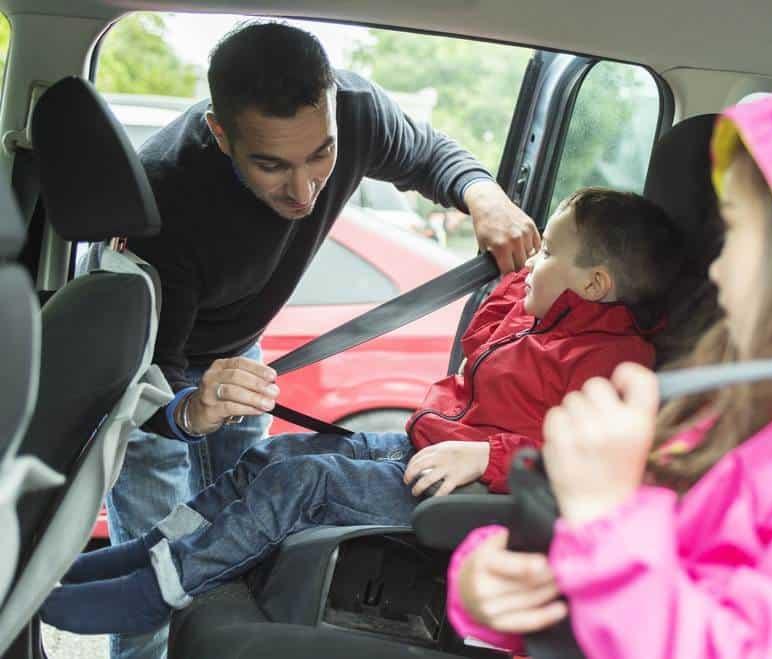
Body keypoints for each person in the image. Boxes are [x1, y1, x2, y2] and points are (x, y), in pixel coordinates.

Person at [446, 76, 772, 658]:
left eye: (734, 236)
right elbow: (624, 579)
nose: (718, 271)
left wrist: (606, 523)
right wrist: (492, 582)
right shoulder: (748, 413)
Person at [42, 187, 696, 635]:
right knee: (271, 453)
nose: (537, 260)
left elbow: (602, 460)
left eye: (550, 250)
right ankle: (150, 549)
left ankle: (155, 590)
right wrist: (516, 274)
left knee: (306, 482)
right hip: (420, 449)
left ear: (594, 285)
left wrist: (487, 456)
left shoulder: (613, 362)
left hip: (464, 488)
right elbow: (481, 342)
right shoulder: (544, 321)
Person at [105, 21, 539, 657]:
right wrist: (188, 411)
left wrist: (483, 195)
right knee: (157, 577)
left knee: (247, 552)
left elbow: (432, 157)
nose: (305, 189)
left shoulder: (356, 112)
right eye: (272, 165)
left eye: (322, 155)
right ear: (221, 134)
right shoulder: (165, 193)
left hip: (244, 361)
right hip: (156, 379)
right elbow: (155, 385)